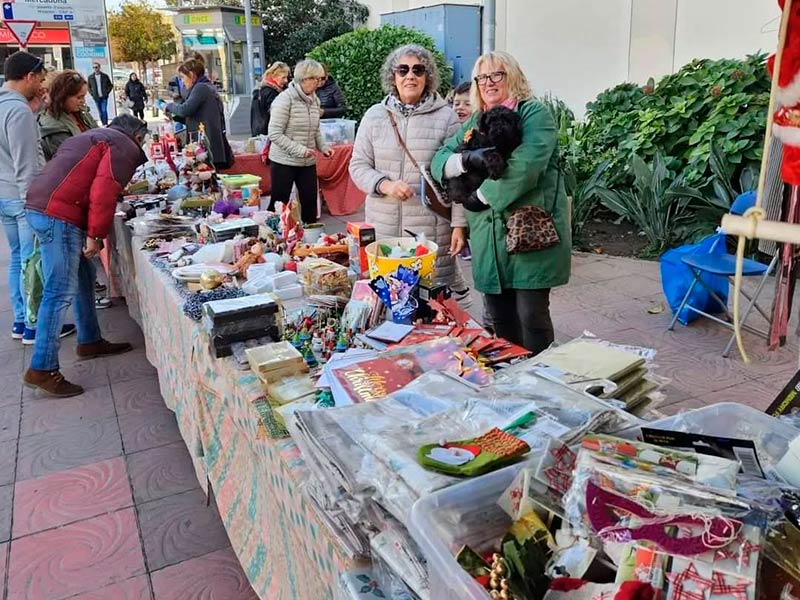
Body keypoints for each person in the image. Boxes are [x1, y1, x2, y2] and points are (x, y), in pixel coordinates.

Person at [432, 51, 571, 355]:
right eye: (482, 77)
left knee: (532, 316)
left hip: (529, 231)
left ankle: (540, 372)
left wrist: (479, 197)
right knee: (500, 316)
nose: (489, 82)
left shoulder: (533, 113)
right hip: (487, 235)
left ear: (513, 77)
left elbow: (525, 167)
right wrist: (465, 160)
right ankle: (512, 373)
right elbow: (439, 159)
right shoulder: (475, 120)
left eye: (497, 74)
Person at [23, 115, 149, 397]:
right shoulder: (123, 145)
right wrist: (95, 234)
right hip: (59, 214)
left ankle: (90, 340)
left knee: (84, 275)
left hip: (43, 206)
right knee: (58, 291)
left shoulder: (97, 136)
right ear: (138, 137)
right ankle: (42, 368)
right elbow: (103, 192)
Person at [349, 44, 470, 303]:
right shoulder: (375, 116)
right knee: (388, 302)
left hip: (431, 231)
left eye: (418, 70)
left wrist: (459, 225)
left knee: (431, 305)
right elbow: (357, 165)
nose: (410, 76)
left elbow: (459, 179)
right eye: (403, 70)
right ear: (393, 76)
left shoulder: (446, 118)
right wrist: (385, 185)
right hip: (384, 229)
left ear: (428, 76)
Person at [38, 70, 112, 311]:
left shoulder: (81, 114)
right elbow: (75, 166)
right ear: (63, 96)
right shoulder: (52, 126)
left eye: (84, 96)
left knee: (82, 274)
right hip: (66, 203)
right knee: (66, 283)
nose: (82, 101)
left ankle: (89, 331)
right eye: (78, 97)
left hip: (77, 198)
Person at [0, 51, 46, 344]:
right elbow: (26, 163)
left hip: (4, 195)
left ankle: (20, 320)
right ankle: (33, 324)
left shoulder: (6, 105)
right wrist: (35, 203)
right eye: (40, 79)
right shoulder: (18, 111)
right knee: (32, 261)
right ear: (29, 76)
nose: (41, 86)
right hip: (20, 197)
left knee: (18, 258)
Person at [267, 59, 333, 222]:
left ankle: (311, 235)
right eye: (316, 79)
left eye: (320, 79)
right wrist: (300, 150)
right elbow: (274, 133)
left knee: (310, 202)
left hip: (307, 161)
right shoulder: (284, 100)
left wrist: (323, 147)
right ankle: (273, 234)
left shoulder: (315, 100)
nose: (319, 83)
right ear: (304, 79)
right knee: (279, 203)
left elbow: (315, 129)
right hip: (283, 161)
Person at [164, 58, 233, 170]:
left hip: (206, 146)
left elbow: (185, 109)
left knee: (205, 176)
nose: (182, 82)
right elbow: (193, 115)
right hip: (204, 144)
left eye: (183, 77)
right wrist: (174, 117)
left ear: (191, 75)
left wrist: (168, 106)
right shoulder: (204, 87)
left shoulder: (201, 88)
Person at [250, 61, 289, 136]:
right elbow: (277, 115)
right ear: (274, 76)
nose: (286, 80)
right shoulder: (271, 93)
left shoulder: (260, 90)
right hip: (269, 133)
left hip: (258, 132)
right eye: (283, 77)